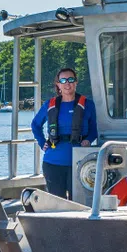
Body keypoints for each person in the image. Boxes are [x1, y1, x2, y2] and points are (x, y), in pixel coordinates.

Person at [31, 68, 98, 199]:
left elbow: (94, 129)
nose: (67, 83)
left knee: (79, 203)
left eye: (71, 80)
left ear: (76, 82)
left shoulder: (88, 105)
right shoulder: (49, 105)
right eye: (63, 80)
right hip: (53, 163)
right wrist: (42, 142)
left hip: (80, 162)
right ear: (58, 84)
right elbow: (35, 125)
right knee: (57, 204)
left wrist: (88, 139)